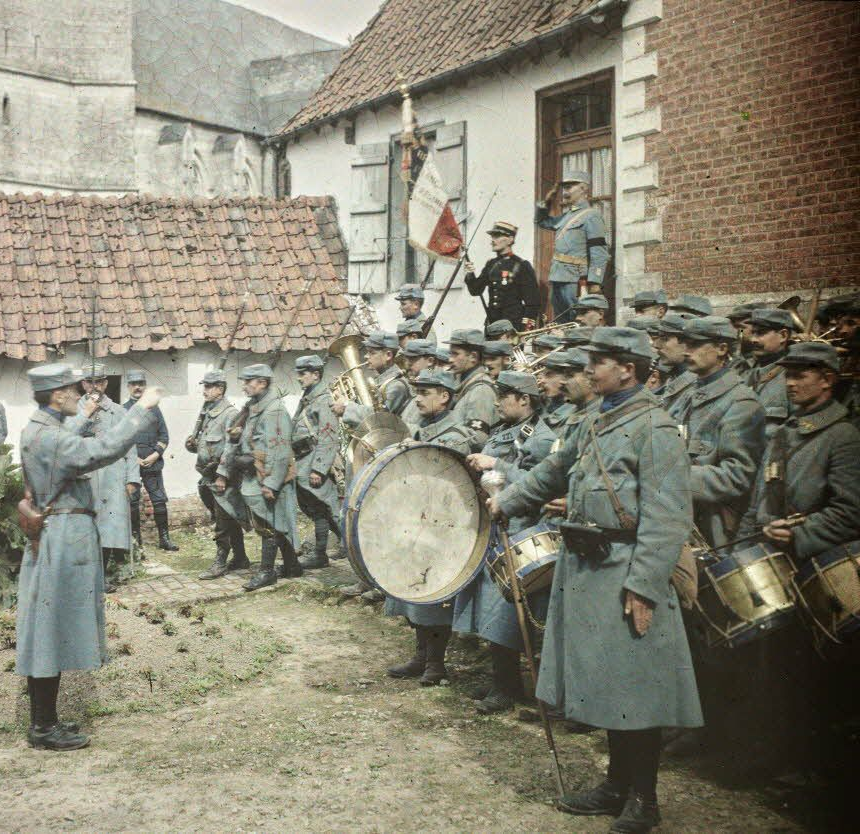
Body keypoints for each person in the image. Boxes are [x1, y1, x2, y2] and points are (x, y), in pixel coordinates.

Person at [489, 327, 702, 833]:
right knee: (607, 686)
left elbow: (667, 517)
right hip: (586, 568)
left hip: (626, 571)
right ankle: (614, 786)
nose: (586, 371)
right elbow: (552, 471)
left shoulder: (656, 428)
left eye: (597, 363)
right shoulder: (593, 418)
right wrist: (505, 500)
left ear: (627, 368)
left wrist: (644, 587)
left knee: (637, 690)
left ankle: (643, 800)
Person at [16, 363, 162, 751]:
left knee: (48, 625)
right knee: (49, 627)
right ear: (56, 395)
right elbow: (101, 450)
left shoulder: (39, 429)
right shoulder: (50, 438)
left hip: (53, 536)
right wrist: (141, 409)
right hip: (62, 539)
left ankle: (45, 721)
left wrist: (86, 416)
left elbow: (70, 440)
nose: (80, 395)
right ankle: (43, 727)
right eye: (72, 391)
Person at [455, 371, 556, 715]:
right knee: (492, 609)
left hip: (522, 529)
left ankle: (507, 689)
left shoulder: (541, 439)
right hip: (498, 525)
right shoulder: (504, 430)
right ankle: (504, 680)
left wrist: (496, 463)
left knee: (508, 614)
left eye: (505, 395)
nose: (497, 402)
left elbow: (539, 483)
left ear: (525, 400)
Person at [385, 370, 472, 687]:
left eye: (425, 392)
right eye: (416, 392)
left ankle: (436, 663)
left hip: (442, 529)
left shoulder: (456, 436)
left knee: (435, 597)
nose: (417, 398)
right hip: (418, 524)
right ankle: (421, 656)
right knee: (414, 593)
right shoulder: (424, 431)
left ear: (445, 396)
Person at [738, 341, 860, 561]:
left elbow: (850, 512)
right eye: (788, 376)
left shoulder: (843, 436)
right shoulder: (783, 432)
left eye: (800, 376)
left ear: (827, 380)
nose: (790, 383)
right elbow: (757, 504)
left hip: (809, 561)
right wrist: (740, 552)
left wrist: (796, 534)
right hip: (765, 555)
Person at [676, 318, 765, 548]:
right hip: (678, 518)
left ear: (722, 349)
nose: (686, 351)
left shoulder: (741, 402)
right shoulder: (688, 394)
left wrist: (672, 479)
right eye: (685, 344)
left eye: (695, 345)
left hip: (712, 529)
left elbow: (736, 477)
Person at [216, 363, 301, 590]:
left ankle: (266, 572)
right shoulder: (255, 407)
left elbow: (280, 451)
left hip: (270, 476)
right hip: (257, 473)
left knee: (267, 525)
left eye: (248, 382)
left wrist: (271, 484)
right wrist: (236, 438)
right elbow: (254, 440)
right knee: (273, 521)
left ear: (262, 383)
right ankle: (292, 565)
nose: (243, 386)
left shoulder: (274, 410)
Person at [79, 364, 139, 592]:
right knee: (84, 527)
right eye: (90, 381)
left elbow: (130, 447)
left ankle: (101, 576)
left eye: (99, 381)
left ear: (105, 383)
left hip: (112, 477)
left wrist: (132, 478)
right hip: (84, 477)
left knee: (107, 528)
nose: (95, 386)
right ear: (84, 384)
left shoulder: (118, 412)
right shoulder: (74, 411)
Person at [188, 370, 249, 580]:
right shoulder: (208, 412)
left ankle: (220, 562)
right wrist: (193, 445)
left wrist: (222, 476)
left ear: (220, 389)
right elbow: (208, 446)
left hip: (224, 476)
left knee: (223, 522)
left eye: (209, 386)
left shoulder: (229, 414)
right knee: (228, 518)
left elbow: (231, 449)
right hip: (208, 475)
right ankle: (240, 557)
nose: (205, 390)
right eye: (204, 386)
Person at [290, 355, 343, 571]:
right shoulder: (308, 397)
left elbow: (329, 437)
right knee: (318, 510)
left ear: (316, 374)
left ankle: (356, 548)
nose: (299, 378)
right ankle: (321, 554)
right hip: (303, 460)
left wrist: (319, 469)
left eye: (303, 373)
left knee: (331, 510)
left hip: (314, 462)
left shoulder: (323, 399)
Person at [536, 171, 609, 322]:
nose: (565, 191)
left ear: (583, 188)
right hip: (557, 277)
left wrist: (595, 282)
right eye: (565, 188)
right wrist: (547, 202)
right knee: (561, 323)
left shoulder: (591, 216)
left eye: (570, 187)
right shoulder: (566, 216)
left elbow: (599, 252)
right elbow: (542, 222)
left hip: (576, 280)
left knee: (578, 321)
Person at [123, 370, 177, 551]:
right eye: (133, 383)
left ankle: (164, 539)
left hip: (153, 464)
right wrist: (134, 459)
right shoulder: (123, 410)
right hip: (133, 464)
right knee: (132, 503)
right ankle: (136, 542)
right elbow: (121, 439)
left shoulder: (155, 409)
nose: (137, 387)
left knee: (159, 500)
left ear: (145, 386)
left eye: (140, 383)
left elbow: (164, 436)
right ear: (128, 387)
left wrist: (155, 455)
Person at [464, 221, 541, 332]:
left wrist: (525, 330)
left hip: (512, 326)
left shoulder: (521, 265)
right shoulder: (491, 264)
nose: (493, 240)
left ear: (510, 239)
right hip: (492, 324)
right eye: (492, 237)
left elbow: (533, 303)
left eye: (497, 236)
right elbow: (475, 290)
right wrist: (470, 274)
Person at [332, 331, 411, 428]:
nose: (366, 356)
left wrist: (346, 405)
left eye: (372, 353)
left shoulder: (396, 386)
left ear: (388, 355)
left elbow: (379, 418)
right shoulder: (380, 381)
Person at [746, 308, 796, 439]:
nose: (753, 340)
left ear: (783, 336)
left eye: (761, 333)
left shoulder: (793, 376)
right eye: (753, 333)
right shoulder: (747, 373)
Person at [447, 329, 497, 453]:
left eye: (455, 354)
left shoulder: (481, 391)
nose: (450, 360)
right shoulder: (464, 384)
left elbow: (477, 439)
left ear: (473, 357)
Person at [652, 314, 697, 418]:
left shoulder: (696, 386)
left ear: (687, 343)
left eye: (665, 338)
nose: (656, 345)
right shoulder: (673, 377)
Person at [399, 338, 439, 432]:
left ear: (430, 361)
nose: (407, 364)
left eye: (412, 358)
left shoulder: (437, 388)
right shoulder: (416, 383)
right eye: (406, 358)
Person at [536, 352, 576, 437]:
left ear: (567, 377)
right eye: (543, 375)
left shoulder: (574, 409)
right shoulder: (543, 401)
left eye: (549, 375)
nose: (542, 381)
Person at [727, 301, 769, 380]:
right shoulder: (736, 353)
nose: (735, 332)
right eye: (733, 327)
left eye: (740, 327)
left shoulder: (766, 356)